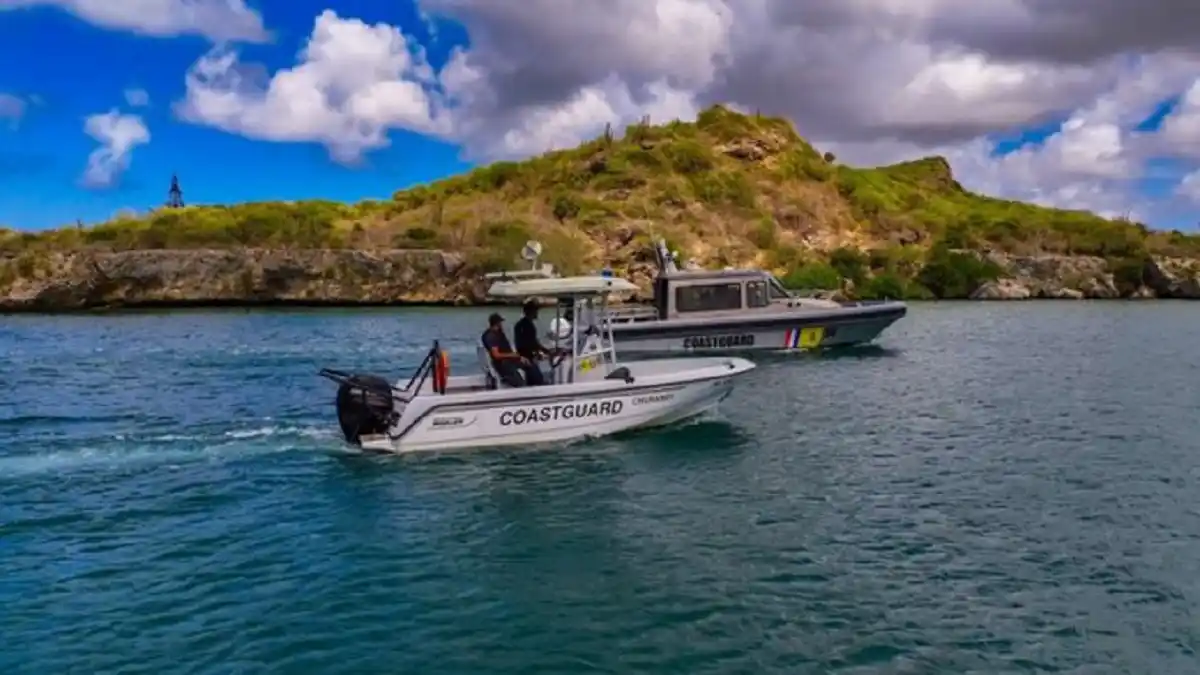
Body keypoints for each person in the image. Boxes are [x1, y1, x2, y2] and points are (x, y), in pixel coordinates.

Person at [481, 312, 541, 387]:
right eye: (500, 322)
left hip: (509, 360)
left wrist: (519, 357)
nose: (501, 325)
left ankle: (535, 384)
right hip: (503, 364)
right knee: (520, 382)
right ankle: (523, 387)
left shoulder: (498, 333)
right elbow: (496, 355)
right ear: (497, 323)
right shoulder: (491, 336)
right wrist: (513, 355)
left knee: (529, 364)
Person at [513, 300, 563, 386]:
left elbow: (529, 342)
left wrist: (543, 351)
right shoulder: (528, 325)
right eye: (535, 310)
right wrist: (546, 351)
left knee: (533, 379)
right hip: (528, 357)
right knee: (538, 380)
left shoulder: (520, 324)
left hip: (524, 355)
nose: (537, 313)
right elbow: (532, 343)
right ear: (530, 311)